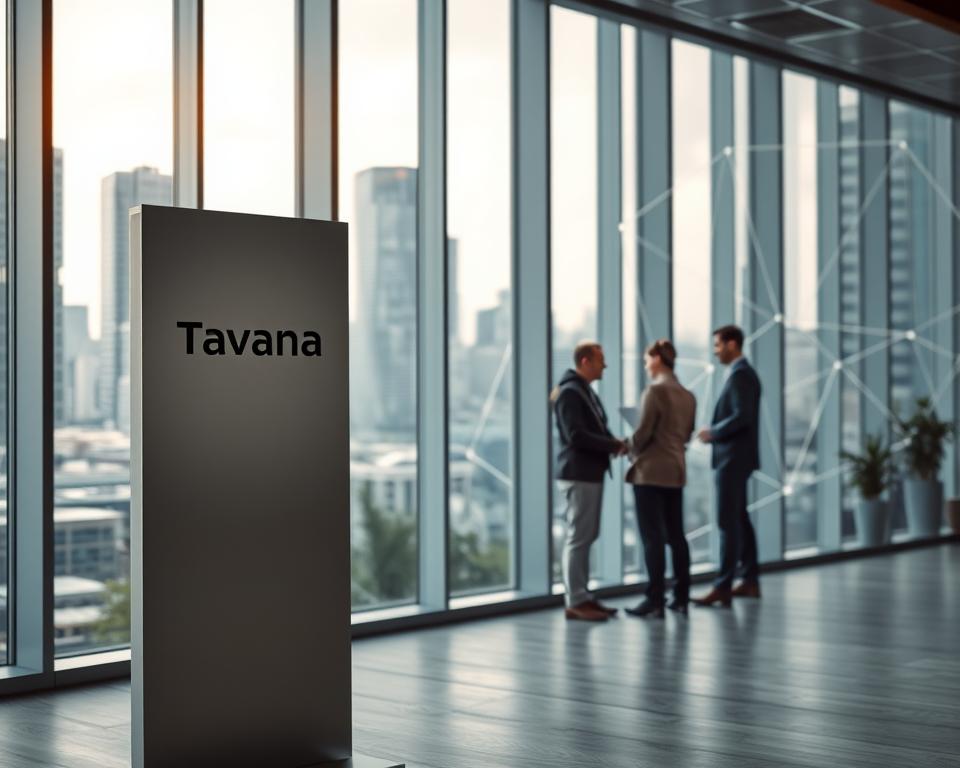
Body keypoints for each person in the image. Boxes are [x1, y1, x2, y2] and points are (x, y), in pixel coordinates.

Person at [553, 341, 629, 622]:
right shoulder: (571, 393)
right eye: (600, 360)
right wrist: (611, 445)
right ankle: (575, 600)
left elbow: (590, 429)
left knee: (585, 535)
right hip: (578, 473)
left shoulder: (582, 391)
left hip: (587, 473)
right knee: (579, 537)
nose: (605, 365)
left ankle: (582, 596)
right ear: (585, 362)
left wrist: (613, 444)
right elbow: (576, 435)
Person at [624, 339, 696, 619]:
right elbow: (687, 435)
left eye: (646, 359)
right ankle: (681, 596)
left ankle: (654, 599)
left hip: (651, 471)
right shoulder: (688, 395)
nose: (645, 364)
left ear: (656, 359)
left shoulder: (654, 391)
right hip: (676, 469)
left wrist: (627, 446)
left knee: (652, 537)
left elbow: (643, 433)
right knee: (676, 536)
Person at [692, 325, 762, 607]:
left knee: (726, 521)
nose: (715, 350)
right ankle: (749, 581)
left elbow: (741, 417)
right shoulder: (740, 374)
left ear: (733, 344)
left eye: (718, 345)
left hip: (732, 459)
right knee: (740, 520)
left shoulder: (741, 375)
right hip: (735, 458)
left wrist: (713, 432)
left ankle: (723, 586)